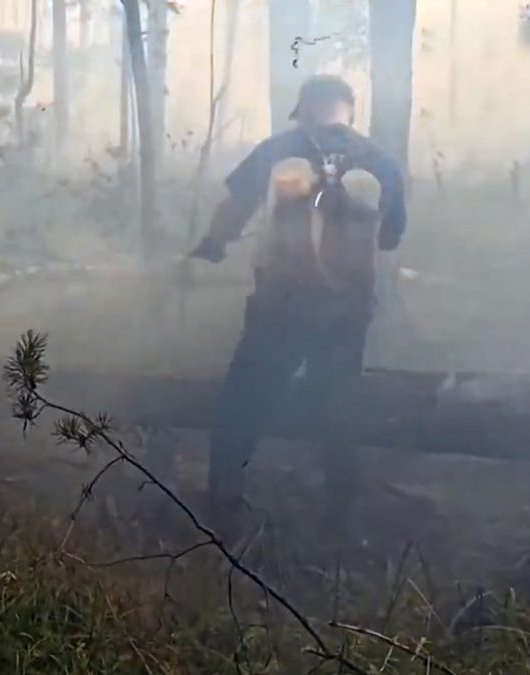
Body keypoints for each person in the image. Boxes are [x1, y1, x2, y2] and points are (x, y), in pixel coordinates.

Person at [188, 74, 407, 521]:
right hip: (348, 313)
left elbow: (235, 209)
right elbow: (389, 239)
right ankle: (339, 517)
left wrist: (210, 247)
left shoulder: (277, 152)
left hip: (280, 307)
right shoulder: (379, 162)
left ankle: (222, 505)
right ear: (349, 110)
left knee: (242, 402)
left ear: (303, 108)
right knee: (338, 405)